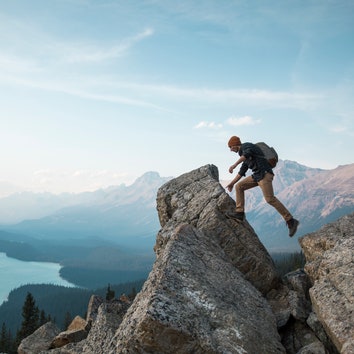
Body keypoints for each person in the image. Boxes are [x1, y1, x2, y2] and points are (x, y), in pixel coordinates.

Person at [225, 135, 299, 237]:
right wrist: (231, 184)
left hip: (265, 174)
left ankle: (291, 220)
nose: (230, 150)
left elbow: (246, 154)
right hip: (257, 176)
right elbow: (241, 172)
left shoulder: (247, 146)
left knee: (270, 199)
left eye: (230, 147)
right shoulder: (243, 156)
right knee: (239, 186)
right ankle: (239, 213)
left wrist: (234, 165)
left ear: (234, 145)